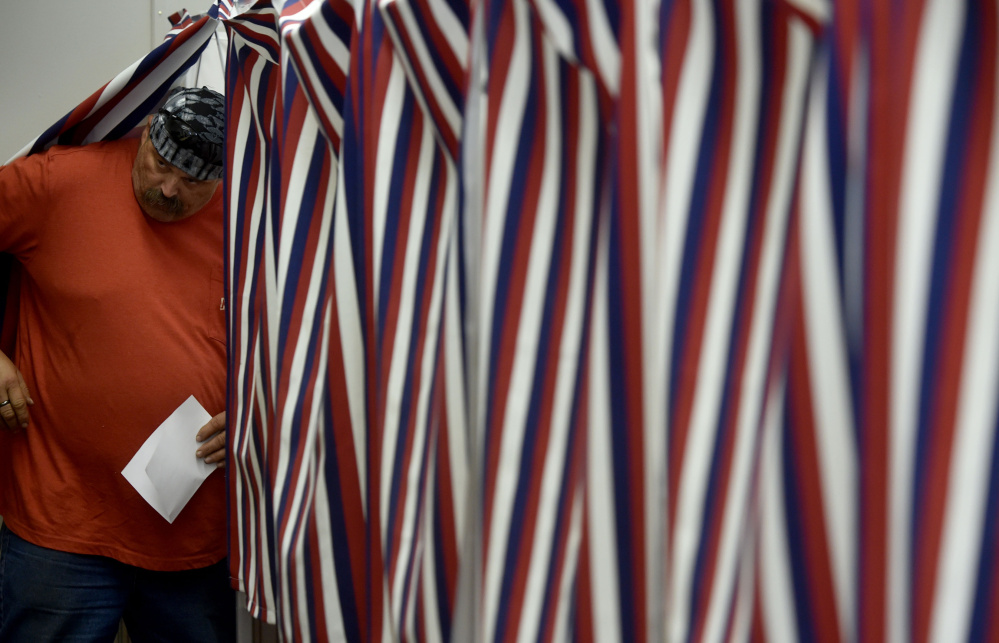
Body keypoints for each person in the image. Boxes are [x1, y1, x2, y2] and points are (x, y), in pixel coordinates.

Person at [0, 86, 234, 642]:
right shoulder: (59, 182)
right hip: (61, 525)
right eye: (160, 164)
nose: (169, 190)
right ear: (146, 131)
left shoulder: (255, 219)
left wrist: (261, 413)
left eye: (195, 181)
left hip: (192, 531)